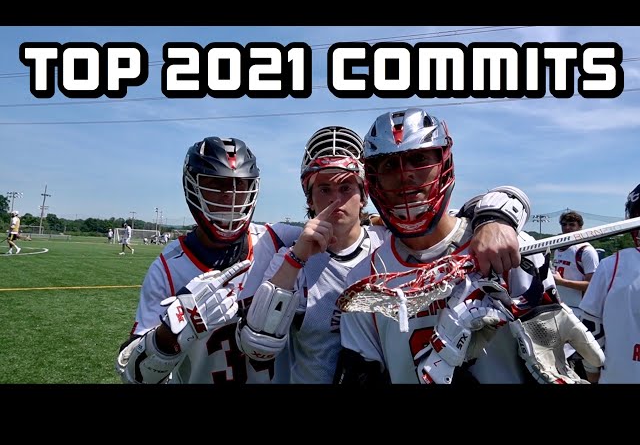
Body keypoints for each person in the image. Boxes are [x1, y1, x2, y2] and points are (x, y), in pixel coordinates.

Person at [236, 123, 538, 384]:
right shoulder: (290, 258)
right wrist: (296, 258)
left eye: (346, 188)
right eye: (324, 189)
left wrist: (494, 219)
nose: (336, 200)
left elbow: (452, 219)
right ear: (309, 198)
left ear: (364, 194)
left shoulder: (391, 243)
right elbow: (257, 347)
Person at [333, 107, 604, 385]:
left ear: (444, 163)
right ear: (373, 178)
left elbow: (553, 359)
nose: (405, 174)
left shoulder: (513, 249)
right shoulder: (363, 281)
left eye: (418, 158)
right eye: (390, 165)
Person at [115, 136, 301, 384]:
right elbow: (135, 374)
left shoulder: (277, 239)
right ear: (194, 187)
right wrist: (173, 331)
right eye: (217, 184)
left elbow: (337, 236)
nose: (230, 197)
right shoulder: (169, 267)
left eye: (240, 185)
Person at [579, 183, 640, 383]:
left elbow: (591, 326)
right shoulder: (612, 265)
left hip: (620, 375)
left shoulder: (612, 265)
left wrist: (591, 370)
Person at [552, 210, 600, 378]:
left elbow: (592, 285)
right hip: (562, 309)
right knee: (560, 359)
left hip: (580, 312)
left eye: (571, 224)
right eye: (564, 224)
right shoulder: (558, 248)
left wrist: (562, 282)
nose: (567, 228)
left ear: (580, 227)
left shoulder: (586, 251)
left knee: (580, 359)